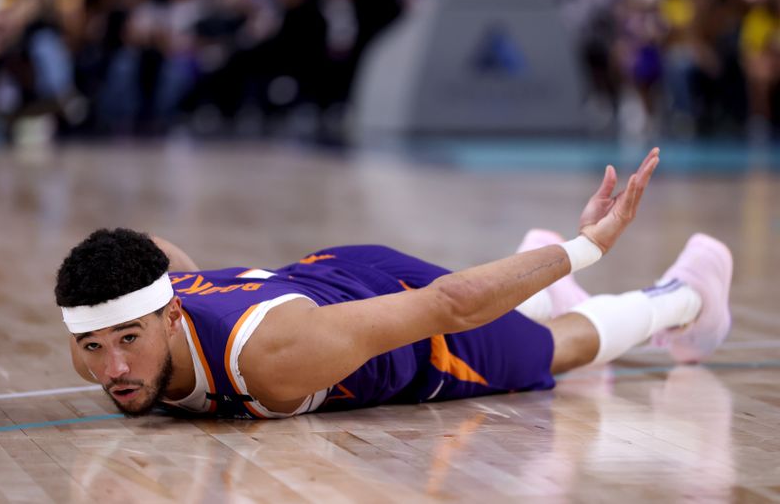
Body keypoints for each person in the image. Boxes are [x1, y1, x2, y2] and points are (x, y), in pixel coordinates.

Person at [55, 148, 733, 419]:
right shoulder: (154, 292)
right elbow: (153, 252)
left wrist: (590, 246)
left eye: (127, 338)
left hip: (418, 331)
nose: (113, 366)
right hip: (332, 278)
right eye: (92, 346)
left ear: (171, 315)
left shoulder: (265, 358)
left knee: (553, 352)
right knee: (518, 315)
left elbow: (449, 304)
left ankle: (688, 291)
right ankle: (534, 266)